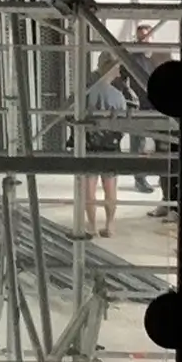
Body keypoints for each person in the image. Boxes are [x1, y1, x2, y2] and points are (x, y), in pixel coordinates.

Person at [81, 53, 127, 238]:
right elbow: (124, 124)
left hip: (89, 144)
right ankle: (109, 225)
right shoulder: (118, 95)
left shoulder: (85, 92)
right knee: (110, 187)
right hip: (110, 145)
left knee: (89, 188)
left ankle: (91, 226)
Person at [120, 25, 159, 195]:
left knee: (163, 143)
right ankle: (140, 179)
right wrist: (129, 96)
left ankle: (164, 176)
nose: (142, 40)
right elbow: (121, 79)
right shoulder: (132, 58)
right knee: (138, 145)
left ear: (152, 38)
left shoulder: (159, 57)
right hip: (139, 107)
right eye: (140, 37)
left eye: (146, 36)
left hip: (158, 106)